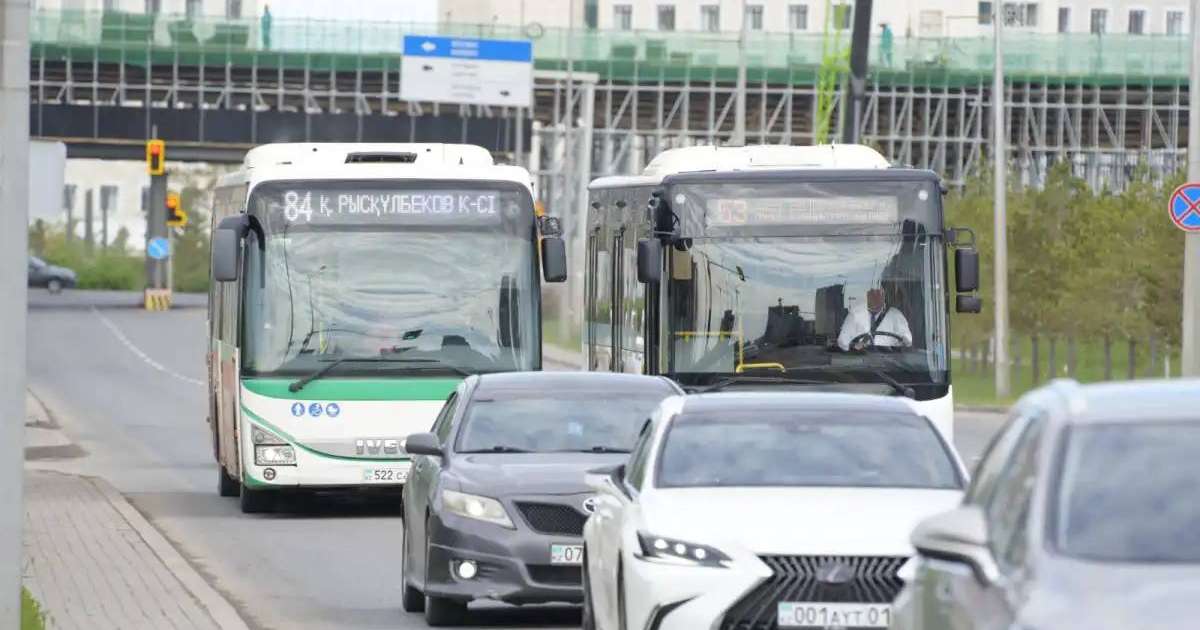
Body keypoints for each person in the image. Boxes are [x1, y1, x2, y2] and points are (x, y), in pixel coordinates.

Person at [837, 287, 912, 351]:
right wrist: (854, 346)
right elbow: (842, 341)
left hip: (889, 362)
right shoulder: (855, 314)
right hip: (861, 362)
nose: (876, 296)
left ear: (884, 295)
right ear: (867, 295)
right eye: (872, 292)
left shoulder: (895, 315)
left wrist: (903, 340)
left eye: (879, 293)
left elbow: (908, 340)